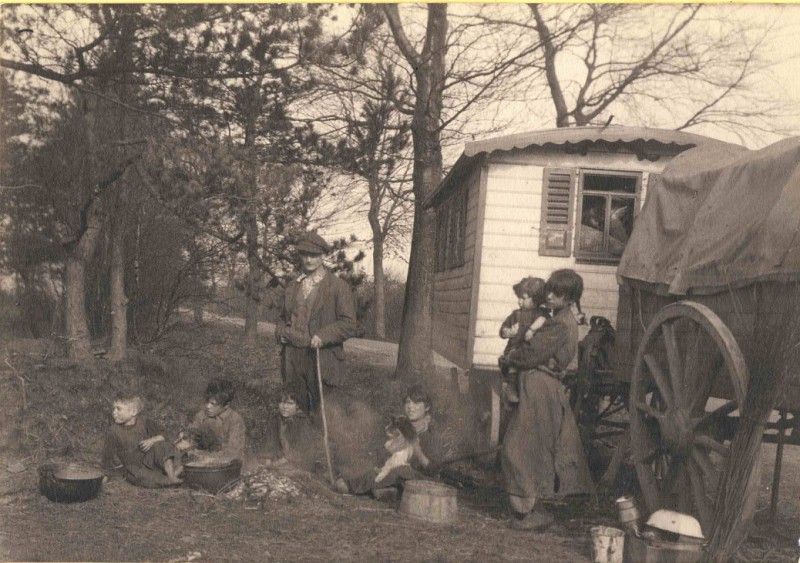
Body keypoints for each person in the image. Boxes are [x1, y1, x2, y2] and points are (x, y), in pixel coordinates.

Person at [501, 269, 595, 531]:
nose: (550, 295)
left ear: (570, 297)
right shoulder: (559, 319)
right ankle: (532, 506)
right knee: (536, 445)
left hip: (540, 387)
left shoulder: (559, 324)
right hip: (541, 385)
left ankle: (528, 511)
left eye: (558, 292)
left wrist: (509, 358)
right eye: (550, 289)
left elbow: (530, 354)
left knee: (520, 446)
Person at [275, 231, 358, 414]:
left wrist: (323, 335)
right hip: (292, 356)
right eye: (304, 255)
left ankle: (320, 442)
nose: (308, 260)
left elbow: (349, 323)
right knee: (294, 411)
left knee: (323, 413)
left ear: (323, 256)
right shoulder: (293, 286)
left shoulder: (338, 287)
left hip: (321, 356)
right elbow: (282, 317)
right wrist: (280, 332)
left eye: (313, 255)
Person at [334, 385, 445, 496]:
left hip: (421, 480)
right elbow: (379, 457)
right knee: (377, 467)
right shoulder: (399, 428)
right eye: (407, 402)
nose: (410, 407)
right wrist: (390, 449)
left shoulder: (431, 435)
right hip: (394, 473)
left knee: (400, 471)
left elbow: (433, 470)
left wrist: (417, 450)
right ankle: (378, 488)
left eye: (416, 403)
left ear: (427, 407)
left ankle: (353, 487)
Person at [101, 390, 183, 487]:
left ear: (133, 412)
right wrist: (105, 478)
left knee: (162, 445)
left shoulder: (144, 422)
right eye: (114, 409)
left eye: (118, 409)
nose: (114, 413)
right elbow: (107, 458)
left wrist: (152, 440)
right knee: (143, 479)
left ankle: (171, 476)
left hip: (149, 459)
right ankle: (168, 480)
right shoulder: (113, 431)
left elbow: (165, 434)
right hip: (134, 468)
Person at [498, 277, 549, 404]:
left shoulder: (542, 314)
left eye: (524, 298)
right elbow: (503, 329)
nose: (519, 301)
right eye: (519, 297)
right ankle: (511, 388)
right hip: (516, 349)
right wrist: (508, 332)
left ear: (536, 299)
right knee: (513, 365)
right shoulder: (516, 315)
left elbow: (544, 321)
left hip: (533, 351)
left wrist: (532, 329)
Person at [177, 379, 246, 464]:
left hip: (225, 465)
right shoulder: (202, 415)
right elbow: (191, 434)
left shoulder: (235, 420)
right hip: (201, 459)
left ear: (226, 405)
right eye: (207, 402)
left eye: (213, 404)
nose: (208, 406)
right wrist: (185, 440)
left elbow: (233, 454)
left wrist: (203, 456)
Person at [264, 386, 321, 472]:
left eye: (290, 403)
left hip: (300, 464)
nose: (285, 407)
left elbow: (302, 448)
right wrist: (268, 459)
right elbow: (270, 443)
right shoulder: (275, 420)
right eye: (281, 402)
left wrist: (281, 462)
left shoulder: (303, 422)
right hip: (280, 462)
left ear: (297, 405)